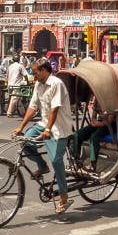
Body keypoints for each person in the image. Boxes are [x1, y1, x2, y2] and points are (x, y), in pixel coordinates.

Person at [12, 58, 74, 214]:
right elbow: (33, 107)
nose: (34, 75)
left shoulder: (56, 84)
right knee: (25, 141)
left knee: (56, 160)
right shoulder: (38, 85)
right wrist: (21, 127)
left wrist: (48, 130)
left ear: (45, 70)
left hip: (59, 127)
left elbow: (55, 109)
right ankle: (42, 166)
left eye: (35, 72)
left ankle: (64, 196)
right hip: (44, 123)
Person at [71, 95, 113, 175]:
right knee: (77, 134)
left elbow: (109, 121)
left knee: (94, 137)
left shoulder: (111, 100)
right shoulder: (97, 99)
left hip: (110, 126)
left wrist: (98, 123)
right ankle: (77, 160)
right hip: (98, 123)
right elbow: (93, 117)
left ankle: (93, 164)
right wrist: (95, 122)